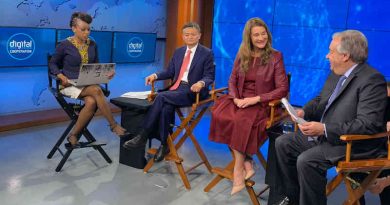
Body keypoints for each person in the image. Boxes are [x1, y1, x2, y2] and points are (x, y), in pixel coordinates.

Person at [274, 30, 388, 205]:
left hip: (354, 144)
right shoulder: (336, 72)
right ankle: (294, 200)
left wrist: (325, 129)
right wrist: (303, 112)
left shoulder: (372, 80)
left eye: (331, 51)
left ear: (345, 56)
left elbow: (368, 124)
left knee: (308, 161)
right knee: (283, 143)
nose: (327, 56)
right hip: (328, 138)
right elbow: (321, 100)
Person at [208, 17, 289, 196]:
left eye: (263, 34)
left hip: (262, 103)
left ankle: (238, 172)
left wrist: (256, 99)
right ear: (249, 38)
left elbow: (283, 89)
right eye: (256, 35)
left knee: (240, 120)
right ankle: (247, 163)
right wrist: (236, 98)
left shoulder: (276, 56)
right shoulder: (242, 54)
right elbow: (232, 80)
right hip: (240, 99)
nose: (261, 38)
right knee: (220, 115)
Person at [122, 22, 215, 162]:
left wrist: (201, 83)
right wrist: (155, 75)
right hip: (176, 89)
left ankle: (143, 135)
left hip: (193, 90)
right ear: (183, 36)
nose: (190, 37)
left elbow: (209, 76)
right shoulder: (179, 51)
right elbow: (170, 72)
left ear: (199, 36)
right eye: (187, 35)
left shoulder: (207, 53)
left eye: (193, 35)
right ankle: (165, 144)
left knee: (161, 97)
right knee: (165, 107)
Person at [49, 12, 127, 147]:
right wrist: (60, 75)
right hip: (69, 84)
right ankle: (113, 125)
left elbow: (96, 65)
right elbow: (52, 63)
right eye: (83, 29)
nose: (87, 32)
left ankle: (73, 135)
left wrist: (106, 73)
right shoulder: (64, 45)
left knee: (91, 102)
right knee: (97, 90)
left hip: (87, 83)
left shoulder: (93, 44)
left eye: (89, 29)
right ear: (74, 28)